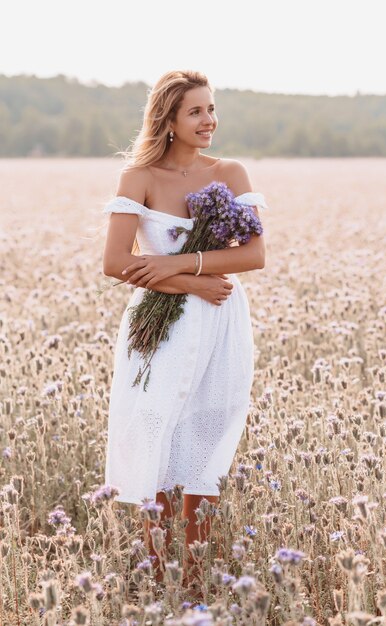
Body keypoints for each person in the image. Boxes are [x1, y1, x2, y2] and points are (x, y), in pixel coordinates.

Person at [101, 69, 268, 597]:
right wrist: (190, 284)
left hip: (221, 321)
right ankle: (156, 573)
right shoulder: (139, 176)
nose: (209, 120)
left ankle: (193, 575)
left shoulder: (231, 172)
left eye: (212, 109)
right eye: (196, 111)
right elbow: (114, 262)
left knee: (207, 433)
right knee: (156, 429)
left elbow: (254, 255)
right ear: (168, 119)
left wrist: (182, 264)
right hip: (162, 323)